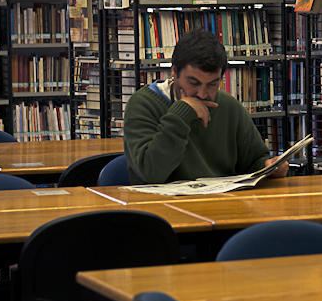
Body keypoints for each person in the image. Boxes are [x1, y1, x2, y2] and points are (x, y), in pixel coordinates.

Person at [124, 28, 289, 184]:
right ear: (174, 71)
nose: (202, 94)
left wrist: (268, 167)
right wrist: (182, 113)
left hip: (221, 205)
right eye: (193, 83)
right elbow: (151, 173)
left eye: (212, 84)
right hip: (161, 207)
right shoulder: (143, 104)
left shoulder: (228, 106)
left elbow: (253, 162)